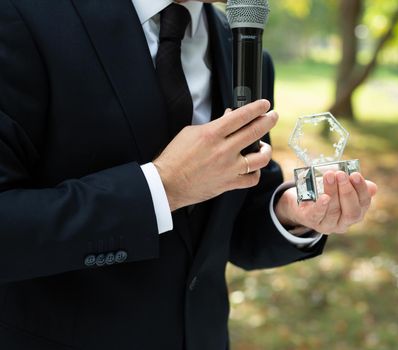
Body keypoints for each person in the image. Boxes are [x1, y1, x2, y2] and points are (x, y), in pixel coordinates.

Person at [0, 0, 377, 349]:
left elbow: (232, 223)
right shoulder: (23, 17)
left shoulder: (246, 53)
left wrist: (291, 215)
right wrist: (163, 189)